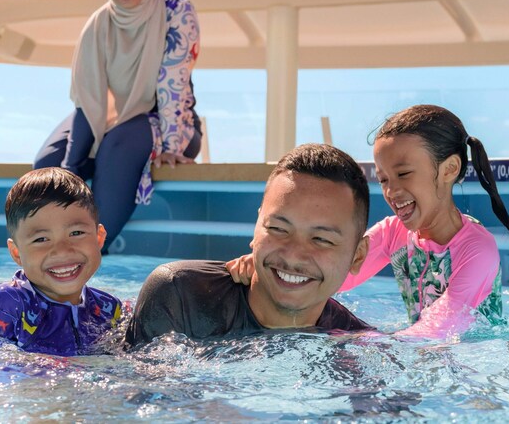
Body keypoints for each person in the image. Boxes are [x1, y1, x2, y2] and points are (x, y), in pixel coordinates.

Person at [228, 105, 509, 340]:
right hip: (423, 350)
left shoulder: (477, 249)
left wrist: (359, 340)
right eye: (383, 179)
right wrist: (270, 270)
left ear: (449, 169)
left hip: (477, 359)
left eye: (403, 174)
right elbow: (334, 273)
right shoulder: (394, 232)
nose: (392, 191)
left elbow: (442, 326)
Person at [34, 0, 202, 254]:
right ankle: (48, 257)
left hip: (172, 123)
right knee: (48, 165)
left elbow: (172, 85)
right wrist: (69, 170)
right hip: (110, 117)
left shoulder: (175, 11)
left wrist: (171, 147)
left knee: (117, 145)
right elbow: (88, 101)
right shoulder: (99, 24)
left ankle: (90, 253)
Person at [124, 143, 374, 347]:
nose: (293, 255)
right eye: (278, 229)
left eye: (321, 239)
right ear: (256, 227)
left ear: (358, 256)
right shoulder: (181, 295)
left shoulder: (354, 345)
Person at [0, 167, 123, 356]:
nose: (62, 250)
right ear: (16, 253)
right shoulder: (9, 304)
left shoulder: (109, 309)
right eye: (41, 239)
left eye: (76, 233)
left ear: (99, 237)